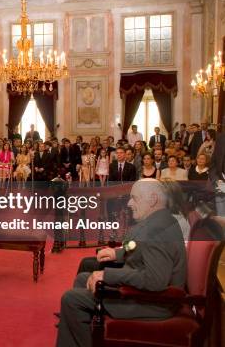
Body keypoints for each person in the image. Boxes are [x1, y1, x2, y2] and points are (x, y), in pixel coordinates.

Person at [56, 179, 187, 347]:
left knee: (71, 299)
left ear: (153, 199)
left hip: (153, 303)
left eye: (134, 198)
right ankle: (86, 332)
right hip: (150, 295)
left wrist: (108, 275)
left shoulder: (155, 231)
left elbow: (155, 281)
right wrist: (118, 254)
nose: (129, 203)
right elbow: (139, 249)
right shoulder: (160, 219)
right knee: (83, 279)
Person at [209, 132, 225, 220]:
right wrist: (217, 181)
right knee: (221, 221)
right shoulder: (221, 137)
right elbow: (213, 166)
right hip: (220, 187)